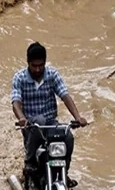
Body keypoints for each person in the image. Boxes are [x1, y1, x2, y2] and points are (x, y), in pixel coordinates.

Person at [11, 42, 89, 188]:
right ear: (28, 63)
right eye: (34, 65)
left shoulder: (52, 75)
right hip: (31, 126)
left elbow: (65, 95)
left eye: (41, 65)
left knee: (68, 136)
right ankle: (29, 163)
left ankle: (63, 171)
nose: (37, 69)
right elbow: (16, 102)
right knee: (39, 120)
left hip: (50, 123)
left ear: (45, 63)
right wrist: (22, 118)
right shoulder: (19, 78)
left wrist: (78, 117)